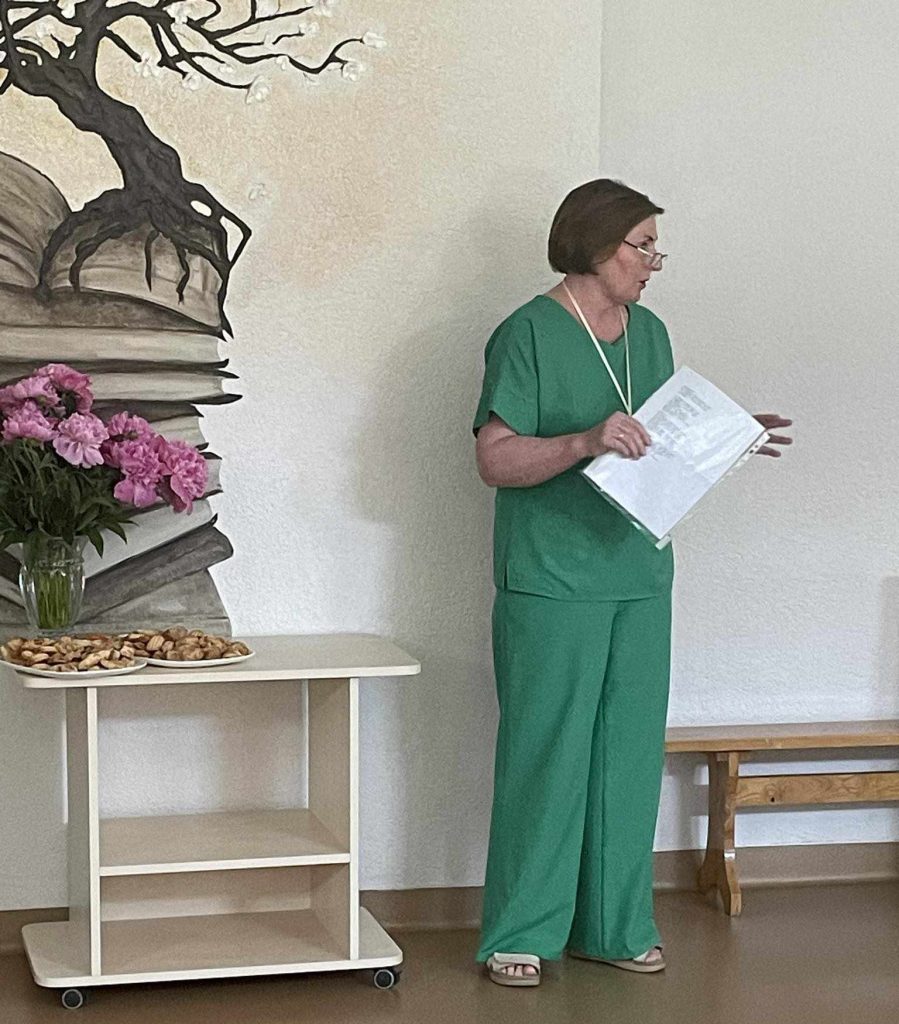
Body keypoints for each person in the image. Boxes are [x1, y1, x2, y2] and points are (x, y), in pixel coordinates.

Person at [472, 179, 792, 987]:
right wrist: (582, 440)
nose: (653, 262)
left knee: (627, 757)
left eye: (655, 248)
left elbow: (661, 445)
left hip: (640, 575)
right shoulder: (527, 333)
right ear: (592, 243)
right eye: (641, 246)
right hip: (550, 579)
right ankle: (521, 932)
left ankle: (613, 927)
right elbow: (495, 459)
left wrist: (729, 436)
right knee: (547, 756)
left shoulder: (649, 333)